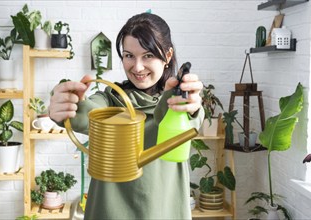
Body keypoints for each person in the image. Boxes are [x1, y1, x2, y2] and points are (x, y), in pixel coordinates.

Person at [49, 12, 204, 220]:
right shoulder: (110, 100)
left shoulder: (178, 103)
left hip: (165, 211)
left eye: (148, 55)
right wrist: (68, 107)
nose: (137, 67)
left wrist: (191, 105)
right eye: (129, 55)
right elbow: (91, 114)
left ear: (167, 56)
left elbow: (185, 116)